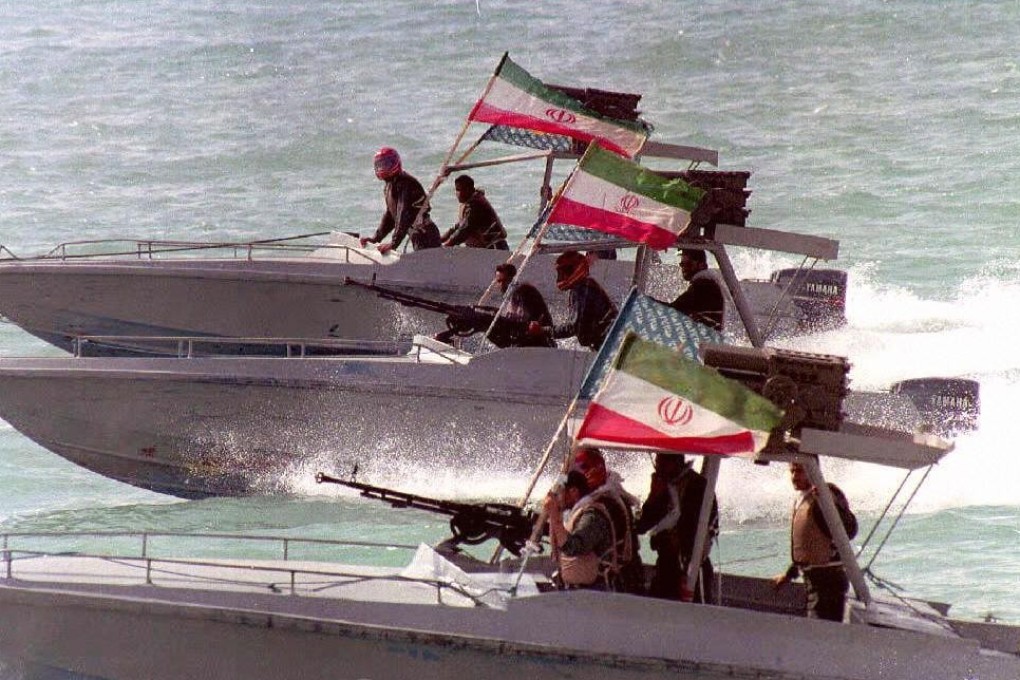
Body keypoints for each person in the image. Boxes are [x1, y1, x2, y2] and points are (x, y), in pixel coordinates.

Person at [772, 461, 855, 622]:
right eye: (792, 471)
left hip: (828, 583)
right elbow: (808, 546)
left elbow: (849, 531)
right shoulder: (803, 499)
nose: (794, 477)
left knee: (820, 631)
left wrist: (831, 504)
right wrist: (789, 575)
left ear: (813, 470)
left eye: (799, 472)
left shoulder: (823, 498)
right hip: (814, 580)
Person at [636, 454, 718, 603]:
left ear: (676, 462)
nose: (658, 469)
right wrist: (652, 497)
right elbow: (641, 526)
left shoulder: (698, 486)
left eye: (662, 464)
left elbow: (707, 525)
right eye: (657, 463)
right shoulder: (662, 487)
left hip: (694, 566)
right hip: (666, 566)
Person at [542, 465, 638, 592]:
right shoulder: (579, 512)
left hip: (596, 591)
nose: (556, 498)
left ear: (573, 492)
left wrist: (555, 516)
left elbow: (574, 547)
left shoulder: (592, 515)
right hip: (582, 588)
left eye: (560, 492)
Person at [570, 446, 643, 594]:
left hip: (608, 587)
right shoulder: (616, 495)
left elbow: (576, 546)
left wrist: (555, 522)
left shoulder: (598, 507)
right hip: (624, 579)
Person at [360, 147, 441, 254]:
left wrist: (393, 244)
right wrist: (376, 238)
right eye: (379, 165)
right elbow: (390, 216)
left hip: (426, 234)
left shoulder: (406, 183)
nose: (383, 168)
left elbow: (403, 215)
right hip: (416, 234)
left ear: (395, 163)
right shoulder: (389, 186)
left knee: (427, 268)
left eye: (386, 164)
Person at [538, 251, 618, 351]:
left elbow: (573, 327)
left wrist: (543, 330)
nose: (560, 277)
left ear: (576, 270)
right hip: (609, 342)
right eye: (559, 273)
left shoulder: (581, 290)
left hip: (606, 345)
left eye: (564, 272)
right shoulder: (587, 285)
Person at [488, 263, 555, 348]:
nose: (501, 285)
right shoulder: (511, 297)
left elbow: (539, 321)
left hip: (540, 344)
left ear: (512, 279)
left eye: (505, 281)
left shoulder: (525, 292)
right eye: (499, 281)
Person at [441, 175, 509, 250]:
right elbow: (458, 226)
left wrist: (446, 246)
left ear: (467, 190)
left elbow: (464, 230)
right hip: (488, 249)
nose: (456, 194)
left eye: (458, 190)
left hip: (494, 249)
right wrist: (441, 239)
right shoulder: (471, 202)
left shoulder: (475, 205)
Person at [669, 248, 724, 332]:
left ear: (701, 265)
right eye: (682, 264)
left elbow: (674, 308)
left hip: (709, 337)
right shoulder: (710, 282)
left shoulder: (703, 286)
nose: (683, 268)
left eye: (688, 264)